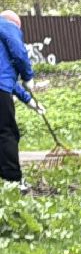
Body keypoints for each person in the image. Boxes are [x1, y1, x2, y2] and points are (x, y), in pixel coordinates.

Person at [0, 11, 38, 185]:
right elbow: (19, 52)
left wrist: (27, 99)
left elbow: (6, 75)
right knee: (7, 133)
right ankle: (12, 180)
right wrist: (28, 75)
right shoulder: (7, 25)